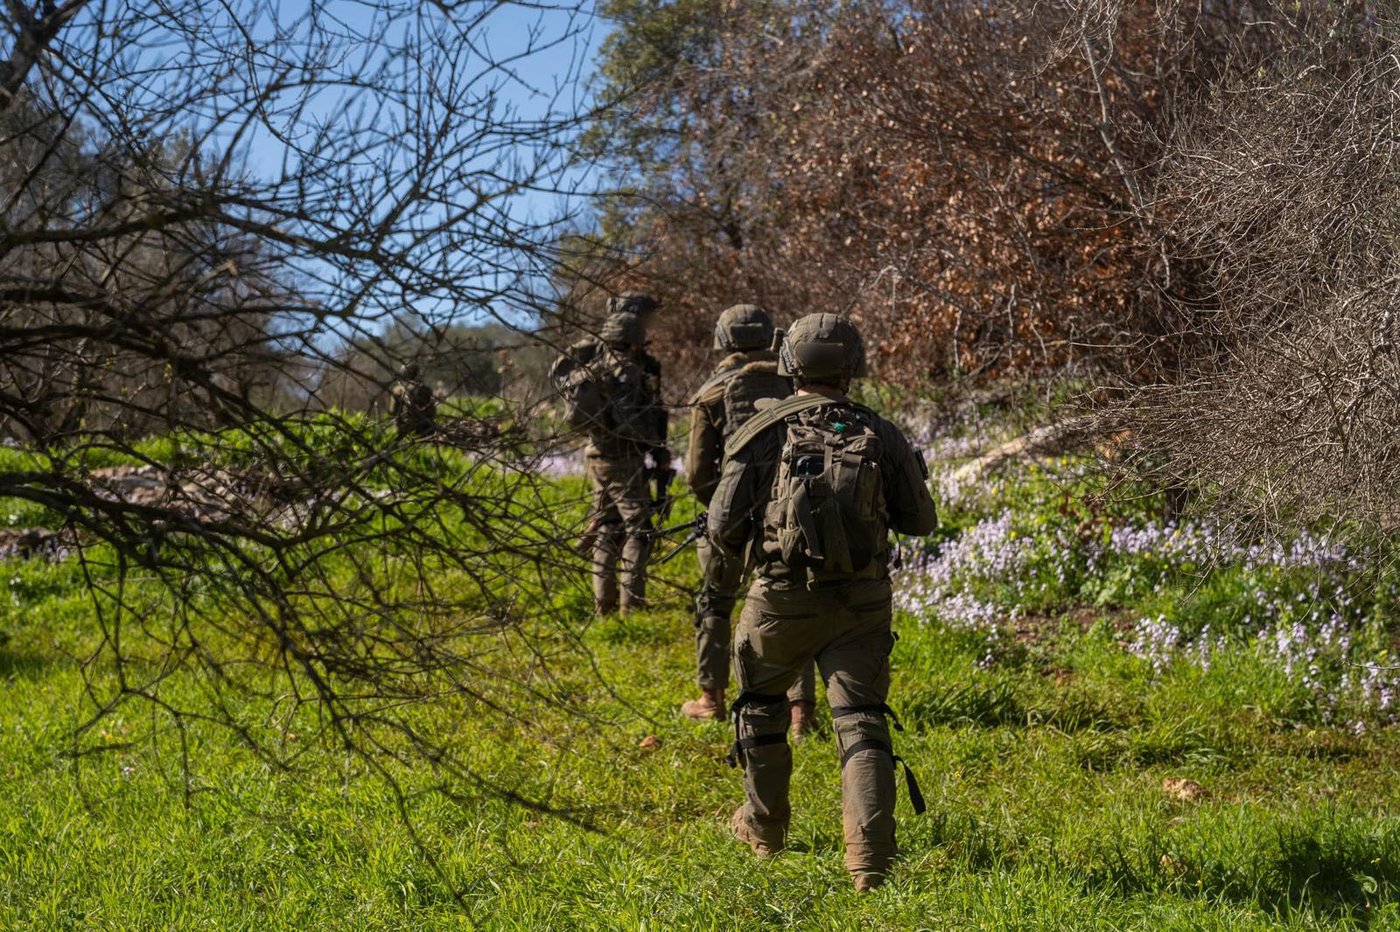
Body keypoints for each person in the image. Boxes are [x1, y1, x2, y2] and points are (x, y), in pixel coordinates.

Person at [707, 312, 937, 892]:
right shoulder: (881, 432)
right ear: (852, 367)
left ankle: (764, 834)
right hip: (861, 603)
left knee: (760, 708)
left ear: (789, 362)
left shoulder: (760, 431)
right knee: (862, 722)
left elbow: (722, 527)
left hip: (780, 601)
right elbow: (920, 521)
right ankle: (868, 863)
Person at [680, 304, 816, 736]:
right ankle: (800, 713)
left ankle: (711, 699)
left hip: (729, 521)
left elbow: (697, 473)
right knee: (791, 605)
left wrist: (724, 507)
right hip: (790, 519)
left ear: (723, 341)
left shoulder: (711, 395)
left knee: (715, 604)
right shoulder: (796, 385)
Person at [576, 310, 670, 615]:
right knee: (638, 530)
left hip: (595, 457)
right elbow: (631, 420)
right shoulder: (628, 372)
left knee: (606, 528)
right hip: (624, 461)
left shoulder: (593, 367)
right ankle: (632, 606)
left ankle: (603, 606)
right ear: (632, 342)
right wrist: (654, 446)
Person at [391, 361, 436, 437]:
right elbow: (432, 412)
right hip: (425, 428)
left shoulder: (398, 390)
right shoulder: (426, 389)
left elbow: (392, 411)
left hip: (404, 429)